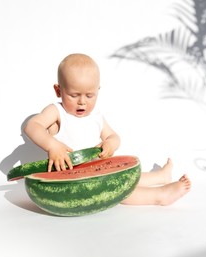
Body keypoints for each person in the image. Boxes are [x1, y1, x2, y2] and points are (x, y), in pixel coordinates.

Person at [24, 53, 191, 205]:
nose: (82, 101)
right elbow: (32, 126)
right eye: (74, 95)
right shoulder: (57, 112)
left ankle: (160, 177)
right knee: (119, 190)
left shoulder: (96, 116)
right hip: (72, 180)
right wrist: (52, 145)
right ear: (58, 90)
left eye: (90, 95)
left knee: (123, 176)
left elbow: (113, 136)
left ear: (98, 91)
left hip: (99, 170)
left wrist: (110, 143)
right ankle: (159, 195)